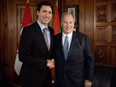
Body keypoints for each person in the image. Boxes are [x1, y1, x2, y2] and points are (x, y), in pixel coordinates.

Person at [19, 1, 54, 87]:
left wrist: (52, 60)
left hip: (47, 78)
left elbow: (48, 52)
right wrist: (45, 63)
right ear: (38, 12)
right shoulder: (28, 30)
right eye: (44, 11)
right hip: (31, 79)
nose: (47, 15)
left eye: (49, 12)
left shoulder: (51, 30)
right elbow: (23, 56)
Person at [53, 12, 94, 87]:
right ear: (61, 24)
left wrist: (88, 79)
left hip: (77, 81)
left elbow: (90, 60)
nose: (68, 25)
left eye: (71, 22)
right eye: (65, 22)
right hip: (60, 81)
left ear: (74, 24)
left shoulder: (83, 38)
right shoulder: (55, 39)